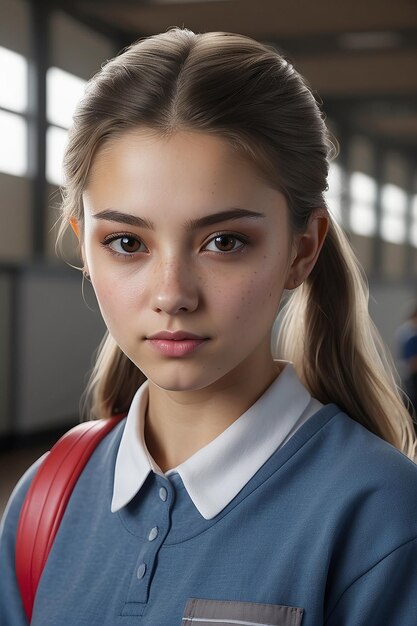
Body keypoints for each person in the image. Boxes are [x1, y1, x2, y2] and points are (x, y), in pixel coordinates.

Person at [1, 28, 417, 626]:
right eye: (126, 242)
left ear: (302, 250)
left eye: (224, 241)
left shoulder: (382, 519)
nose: (173, 293)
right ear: (83, 249)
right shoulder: (46, 499)